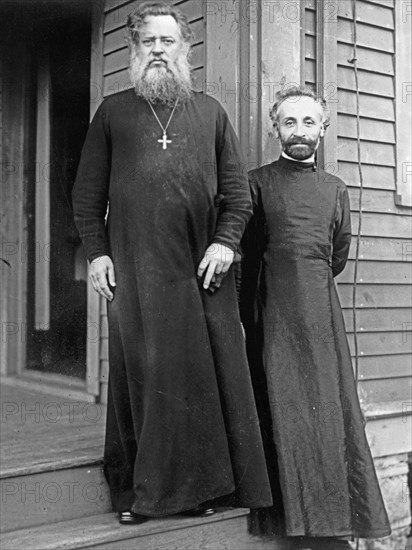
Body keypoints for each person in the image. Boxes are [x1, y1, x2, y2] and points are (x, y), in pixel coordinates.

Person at [72, 1, 272, 526]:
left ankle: (200, 489)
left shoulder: (210, 112)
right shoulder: (113, 111)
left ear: (186, 49)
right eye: (148, 42)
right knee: (144, 375)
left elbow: (238, 195)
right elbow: (86, 195)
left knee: (199, 378)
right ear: (134, 50)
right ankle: (140, 494)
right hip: (137, 270)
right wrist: (97, 253)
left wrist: (226, 243)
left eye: (168, 41)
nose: (158, 50)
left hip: (201, 271)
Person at [239, 86, 391, 549]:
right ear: (275, 130)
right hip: (274, 312)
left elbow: (337, 254)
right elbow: (246, 252)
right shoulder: (256, 182)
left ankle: (329, 524)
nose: (299, 132)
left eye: (309, 123)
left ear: (323, 130)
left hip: (321, 315)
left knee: (326, 409)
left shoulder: (335, 189)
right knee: (283, 405)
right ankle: (293, 522)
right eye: (290, 122)